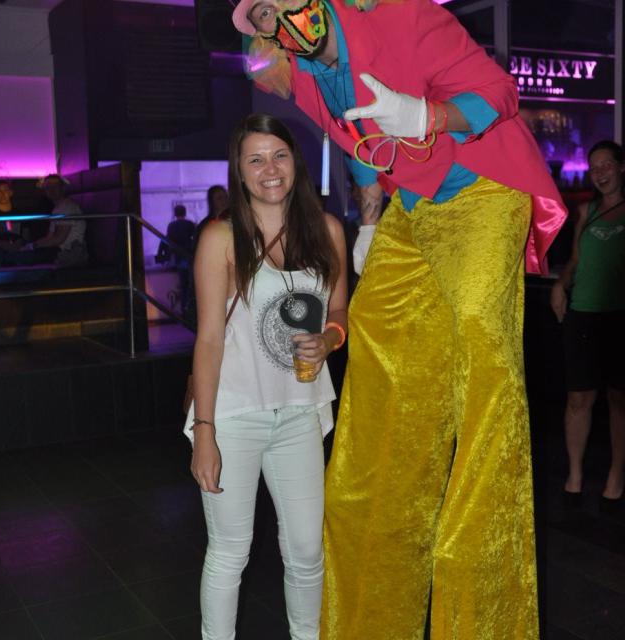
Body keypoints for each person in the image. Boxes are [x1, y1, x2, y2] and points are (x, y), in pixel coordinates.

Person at [232, 0, 567, 638]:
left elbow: (499, 92)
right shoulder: (307, 80)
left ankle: (485, 613)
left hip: (483, 185)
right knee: (378, 364)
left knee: (484, 362)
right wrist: (368, 219)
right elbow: (359, 146)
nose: (282, 21)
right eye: (265, 16)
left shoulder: (402, 16)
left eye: (282, 3)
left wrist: (427, 116)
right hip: (413, 207)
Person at [183, 113, 347, 640]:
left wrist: (330, 339)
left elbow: (339, 310)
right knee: (230, 551)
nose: (269, 169)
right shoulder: (221, 237)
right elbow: (209, 340)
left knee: (306, 550)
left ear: (295, 162)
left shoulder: (327, 231)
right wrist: (204, 432)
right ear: (239, 170)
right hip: (234, 415)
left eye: (278, 155)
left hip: (300, 411)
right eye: (255, 159)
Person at [550, 140, 625, 511]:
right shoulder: (585, 211)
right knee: (578, 399)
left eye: (607, 164)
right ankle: (575, 476)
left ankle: (615, 477)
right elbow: (576, 261)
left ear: (621, 167)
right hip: (583, 313)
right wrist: (560, 285)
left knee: (619, 401)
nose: (600, 172)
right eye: (594, 167)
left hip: (620, 316)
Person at [2, 174, 88, 267]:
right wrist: (30, 246)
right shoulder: (57, 208)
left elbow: (58, 239)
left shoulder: (67, 207)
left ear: (62, 188)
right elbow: (50, 237)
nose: (51, 190)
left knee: (14, 258)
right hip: (56, 249)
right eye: (48, 187)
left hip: (67, 252)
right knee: (14, 255)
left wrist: (33, 246)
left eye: (55, 186)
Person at [156, 204, 196, 311]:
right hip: (189, 256)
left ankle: (184, 308)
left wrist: (163, 256)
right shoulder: (190, 224)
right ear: (185, 212)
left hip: (178, 257)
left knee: (183, 284)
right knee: (191, 284)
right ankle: (190, 308)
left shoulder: (171, 226)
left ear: (175, 214)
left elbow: (167, 240)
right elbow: (196, 238)